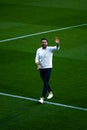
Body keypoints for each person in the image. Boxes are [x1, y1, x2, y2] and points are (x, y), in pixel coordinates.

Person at [35, 37, 60, 104]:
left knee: (46, 82)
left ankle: (42, 98)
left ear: (47, 43)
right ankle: (51, 92)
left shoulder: (50, 49)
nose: (44, 43)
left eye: (45, 42)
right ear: (41, 43)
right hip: (41, 69)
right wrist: (37, 65)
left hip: (48, 68)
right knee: (45, 82)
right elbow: (36, 59)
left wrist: (57, 43)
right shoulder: (38, 50)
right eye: (43, 42)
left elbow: (56, 48)